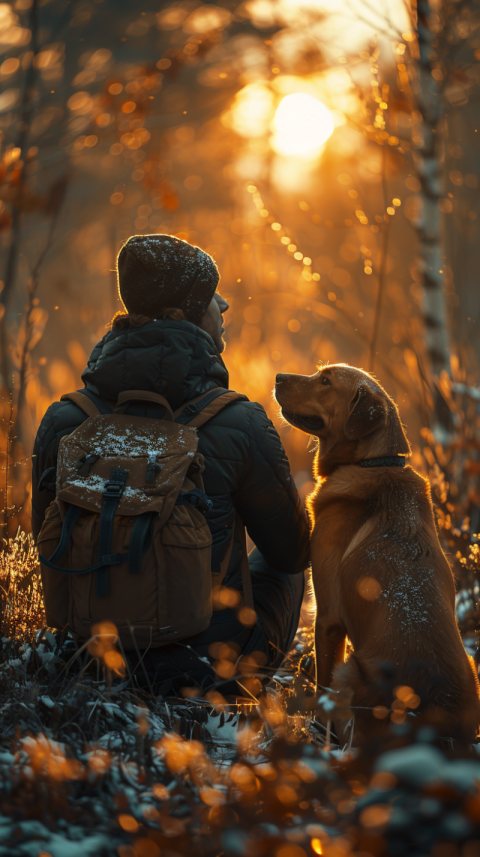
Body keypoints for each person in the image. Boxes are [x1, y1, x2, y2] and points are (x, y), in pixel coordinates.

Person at [32, 234, 310, 696]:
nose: (222, 304)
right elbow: (292, 553)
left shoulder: (66, 421)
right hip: (212, 674)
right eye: (209, 298)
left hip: (86, 665)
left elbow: (50, 546)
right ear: (183, 317)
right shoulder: (238, 420)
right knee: (290, 563)